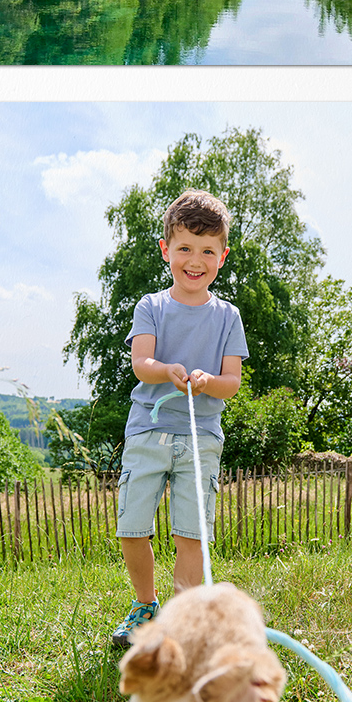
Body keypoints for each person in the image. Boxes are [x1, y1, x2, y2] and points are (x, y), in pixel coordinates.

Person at [114, 189, 247, 638]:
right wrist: (165, 370)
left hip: (201, 435)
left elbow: (232, 382)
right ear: (165, 249)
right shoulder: (151, 306)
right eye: (185, 247)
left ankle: (181, 620)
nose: (196, 259)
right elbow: (141, 364)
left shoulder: (228, 316)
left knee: (191, 534)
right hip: (148, 430)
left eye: (207, 250)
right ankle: (145, 605)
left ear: (222, 256)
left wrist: (208, 381)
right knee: (133, 527)